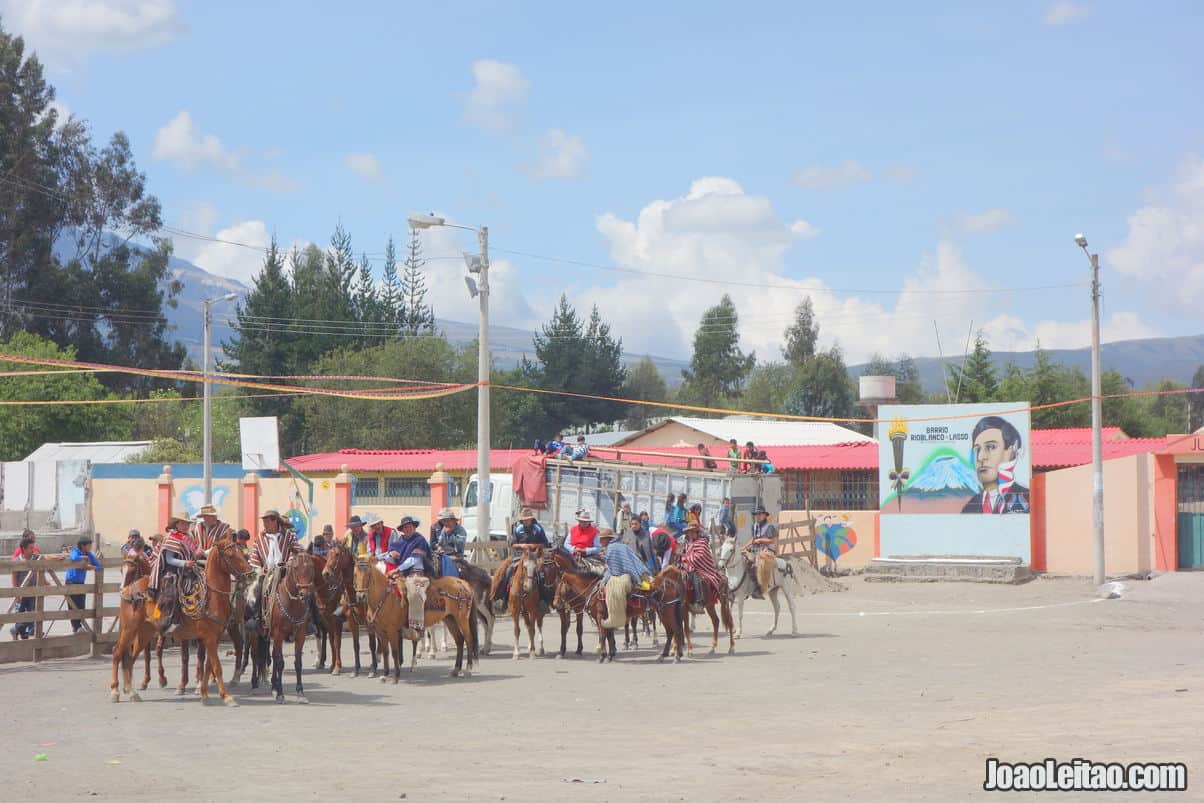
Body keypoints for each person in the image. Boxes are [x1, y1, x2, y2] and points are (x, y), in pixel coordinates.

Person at [961, 416, 1031, 514]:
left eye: (991, 447)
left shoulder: (1028, 498)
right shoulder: (969, 508)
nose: (980, 457)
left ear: (1011, 451)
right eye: (977, 449)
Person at [250, 509, 300, 630]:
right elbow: (254, 557)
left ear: (275, 522)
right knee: (257, 589)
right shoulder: (259, 539)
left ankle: (309, 621)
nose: (265, 525)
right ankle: (257, 617)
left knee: (304, 588)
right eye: (264, 522)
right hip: (266, 573)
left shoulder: (289, 535)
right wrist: (258, 570)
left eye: (267, 522)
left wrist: (290, 561)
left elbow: (296, 550)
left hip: (286, 571)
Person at [147, 512, 197, 629]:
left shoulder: (187, 538)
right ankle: (164, 619)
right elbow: (169, 559)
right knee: (171, 592)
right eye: (183, 523)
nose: (186, 526)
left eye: (187, 524)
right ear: (177, 524)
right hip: (172, 571)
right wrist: (184, 563)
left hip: (187, 570)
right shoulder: (171, 538)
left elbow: (191, 554)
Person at [492, 509, 550, 604]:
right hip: (519, 555)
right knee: (508, 571)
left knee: (541, 574)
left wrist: (533, 546)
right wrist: (521, 546)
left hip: (535, 556)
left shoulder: (538, 528)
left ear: (531, 519)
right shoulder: (518, 529)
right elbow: (513, 544)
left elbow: (545, 543)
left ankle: (544, 600)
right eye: (524, 519)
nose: (526, 521)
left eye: (527, 519)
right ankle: (501, 598)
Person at [680, 522, 725, 610]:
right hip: (687, 565)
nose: (690, 533)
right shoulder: (688, 543)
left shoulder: (702, 542)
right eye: (689, 532)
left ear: (696, 532)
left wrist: (686, 558)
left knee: (694, 576)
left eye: (692, 531)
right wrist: (682, 558)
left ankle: (699, 601)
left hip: (702, 568)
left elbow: (700, 556)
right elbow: (684, 553)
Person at [64, 535, 102, 633]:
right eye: (89, 545)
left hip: (81, 583)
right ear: (83, 545)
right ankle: (76, 627)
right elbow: (73, 557)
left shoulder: (89, 554)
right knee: (73, 605)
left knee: (81, 605)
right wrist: (83, 557)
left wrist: (91, 567)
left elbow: (98, 566)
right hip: (71, 582)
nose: (90, 547)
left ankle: (79, 626)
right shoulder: (76, 551)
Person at [743, 506, 778, 599]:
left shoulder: (769, 527)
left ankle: (759, 589)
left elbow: (773, 540)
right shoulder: (755, 526)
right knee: (744, 561)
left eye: (760, 514)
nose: (758, 516)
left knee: (758, 563)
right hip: (756, 550)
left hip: (767, 550)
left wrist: (760, 540)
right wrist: (744, 548)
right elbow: (753, 539)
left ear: (764, 515)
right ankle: (746, 587)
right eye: (756, 514)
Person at [10, 534, 39, 640]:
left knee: (33, 614)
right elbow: (14, 577)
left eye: (33, 547)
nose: (33, 550)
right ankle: (21, 632)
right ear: (23, 549)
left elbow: (46, 561)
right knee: (20, 614)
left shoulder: (36, 558)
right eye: (31, 548)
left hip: (33, 591)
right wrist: (16, 592)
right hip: (22, 592)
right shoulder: (17, 561)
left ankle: (16, 629)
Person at [429, 508, 467, 578]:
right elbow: (436, 543)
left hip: (455, 556)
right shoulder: (439, 528)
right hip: (440, 554)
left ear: (453, 520)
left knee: (459, 570)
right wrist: (438, 547)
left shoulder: (461, 530)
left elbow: (460, 545)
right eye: (443, 521)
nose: (445, 523)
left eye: (448, 521)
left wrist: (450, 535)